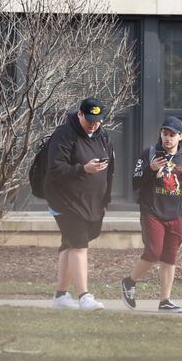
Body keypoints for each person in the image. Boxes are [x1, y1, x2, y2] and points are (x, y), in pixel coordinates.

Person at [121, 116, 182, 313]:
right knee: (153, 252)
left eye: (172, 135)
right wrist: (150, 170)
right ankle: (129, 282)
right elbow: (134, 183)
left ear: (181, 136)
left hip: (174, 214)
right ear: (160, 134)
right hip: (151, 211)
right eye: (164, 134)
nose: (167, 138)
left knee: (170, 256)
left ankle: (165, 301)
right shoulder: (149, 154)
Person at [46, 97, 114, 311]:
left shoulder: (102, 136)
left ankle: (60, 296)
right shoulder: (64, 134)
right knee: (78, 246)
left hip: (92, 202)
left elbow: (109, 171)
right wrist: (83, 169)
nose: (94, 124)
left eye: (98, 120)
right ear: (80, 114)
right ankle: (85, 296)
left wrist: (106, 198)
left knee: (69, 245)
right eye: (90, 120)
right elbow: (55, 169)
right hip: (65, 201)